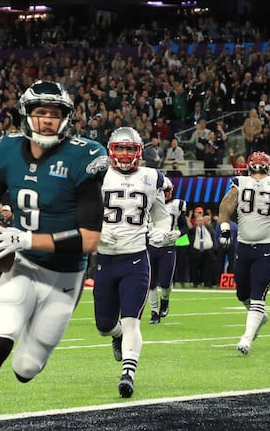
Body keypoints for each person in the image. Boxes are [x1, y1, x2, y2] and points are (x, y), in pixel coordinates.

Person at [0, 80, 107, 430]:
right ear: (26, 116)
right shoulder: (8, 149)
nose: (47, 121)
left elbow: (90, 239)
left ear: (66, 119)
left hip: (64, 280)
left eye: (55, 114)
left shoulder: (85, 155)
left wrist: (25, 239)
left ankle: (34, 339)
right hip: (21, 269)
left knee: (25, 370)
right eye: (40, 113)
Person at [94, 127, 176, 398]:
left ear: (139, 151)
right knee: (104, 325)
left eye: (130, 149)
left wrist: (162, 231)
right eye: (120, 148)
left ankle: (128, 373)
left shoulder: (152, 177)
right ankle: (115, 335)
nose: (125, 154)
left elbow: (162, 215)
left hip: (136, 259)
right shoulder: (97, 175)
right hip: (105, 259)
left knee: (132, 321)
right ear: (111, 150)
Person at [217, 151, 270, 356]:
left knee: (258, 294)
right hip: (244, 246)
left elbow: (225, 207)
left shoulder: (245, 182)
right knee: (242, 293)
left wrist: (225, 229)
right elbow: (226, 207)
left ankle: (247, 337)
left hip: (266, 246)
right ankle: (258, 319)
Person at [148, 178, 188, 324]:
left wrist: (178, 233)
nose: (165, 194)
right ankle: (154, 312)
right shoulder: (149, 203)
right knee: (151, 282)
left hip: (168, 247)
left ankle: (165, 300)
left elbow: (185, 227)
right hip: (152, 245)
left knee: (165, 282)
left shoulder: (177, 205)